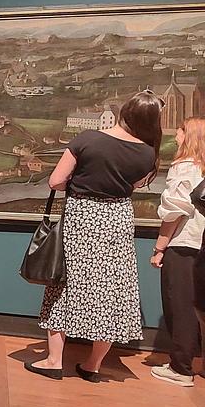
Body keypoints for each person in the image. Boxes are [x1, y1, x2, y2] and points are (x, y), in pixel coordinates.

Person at [26, 90, 163, 382]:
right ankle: (93, 365)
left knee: (64, 284)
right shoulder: (148, 153)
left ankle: (53, 360)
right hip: (118, 219)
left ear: (124, 112)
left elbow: (56, 181)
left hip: (83, 216)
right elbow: (134, 185)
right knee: (112, 289)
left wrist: (83, 181)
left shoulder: (87, 139)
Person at [150, 117, 205, 387]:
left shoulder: (184, 167)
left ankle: (180, 368)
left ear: (189, 135)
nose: (176, 136)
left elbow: (174, 212)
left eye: (181, 131)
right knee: (201, 307)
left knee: (181, 305)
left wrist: (159, 247)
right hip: (202, 242)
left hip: (184, 243)